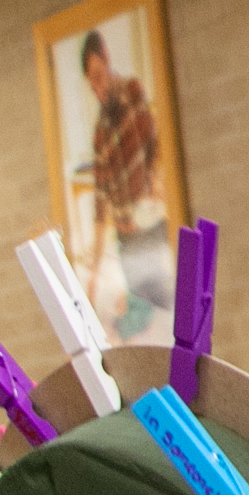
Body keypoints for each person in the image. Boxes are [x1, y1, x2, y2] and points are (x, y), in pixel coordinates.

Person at [79, 31, 173, 335]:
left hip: (149, 223)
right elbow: (100, 196)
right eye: (91, 82)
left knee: (164, 311)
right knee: (143, 318)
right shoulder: (99, 130)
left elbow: (155, 147)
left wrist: (158, 189)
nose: (97, 86)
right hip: (125, 235)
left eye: (98, 75)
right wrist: (94, 262)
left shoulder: (133, 92)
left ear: (107, 59)